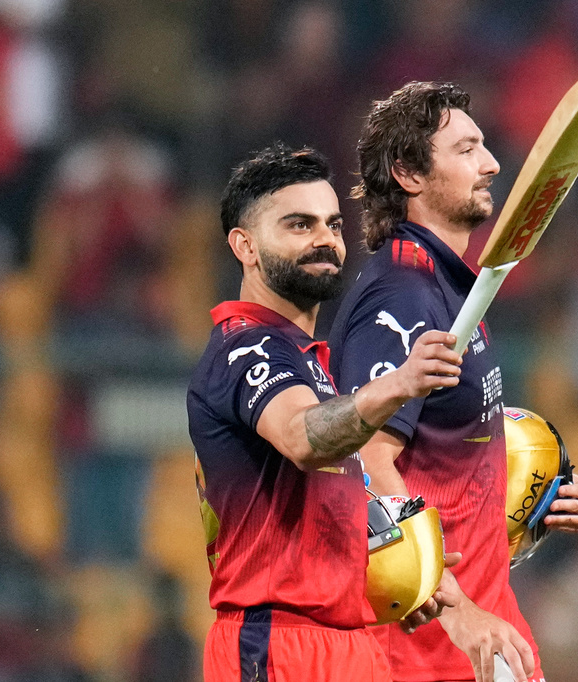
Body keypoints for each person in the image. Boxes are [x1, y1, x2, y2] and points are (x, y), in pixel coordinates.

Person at [328, 82, 578, 682]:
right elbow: (365, 470)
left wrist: (537, 490)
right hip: (423, 655)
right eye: (466, 149)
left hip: (486, 636)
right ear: (408, 173)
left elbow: (444, 447)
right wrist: (459, 612)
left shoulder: (452, 289)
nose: (492, 163)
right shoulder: (399, 296)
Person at [186, 143, 463, 681]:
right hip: (279, 644)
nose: (325, 240)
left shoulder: (313, 363)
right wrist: (401, 381)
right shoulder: (247, 349)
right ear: (244, 246)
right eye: (299, 225)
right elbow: (303, 437)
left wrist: (400, 572)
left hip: (349, 641)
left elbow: (317, 506)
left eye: (333, 225)